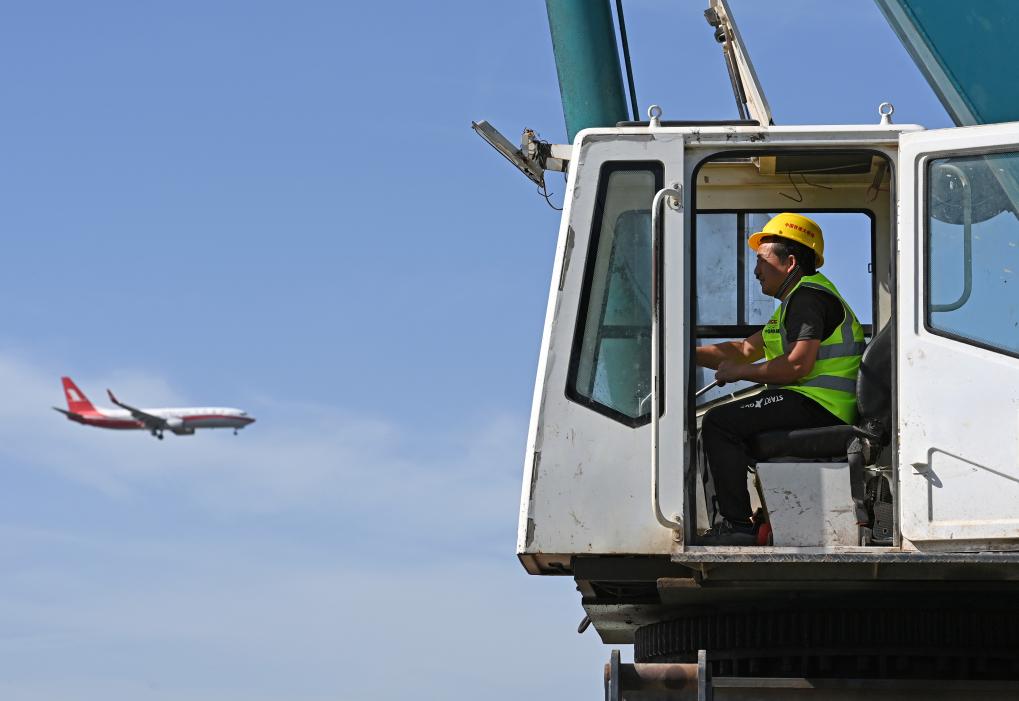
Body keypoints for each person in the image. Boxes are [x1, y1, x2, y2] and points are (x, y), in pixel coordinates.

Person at [695, 213, 865, 545]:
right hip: (809, 402)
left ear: (789, 263)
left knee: (719, 423)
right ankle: (738, 523)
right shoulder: (792, 304)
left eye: (762, 260)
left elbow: (797, 365)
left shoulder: (808, 299)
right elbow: (744, 350)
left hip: (821, 406)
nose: (756, 271)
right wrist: (685, 353)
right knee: (721, 423)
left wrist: (740, 372)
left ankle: (737, 528)